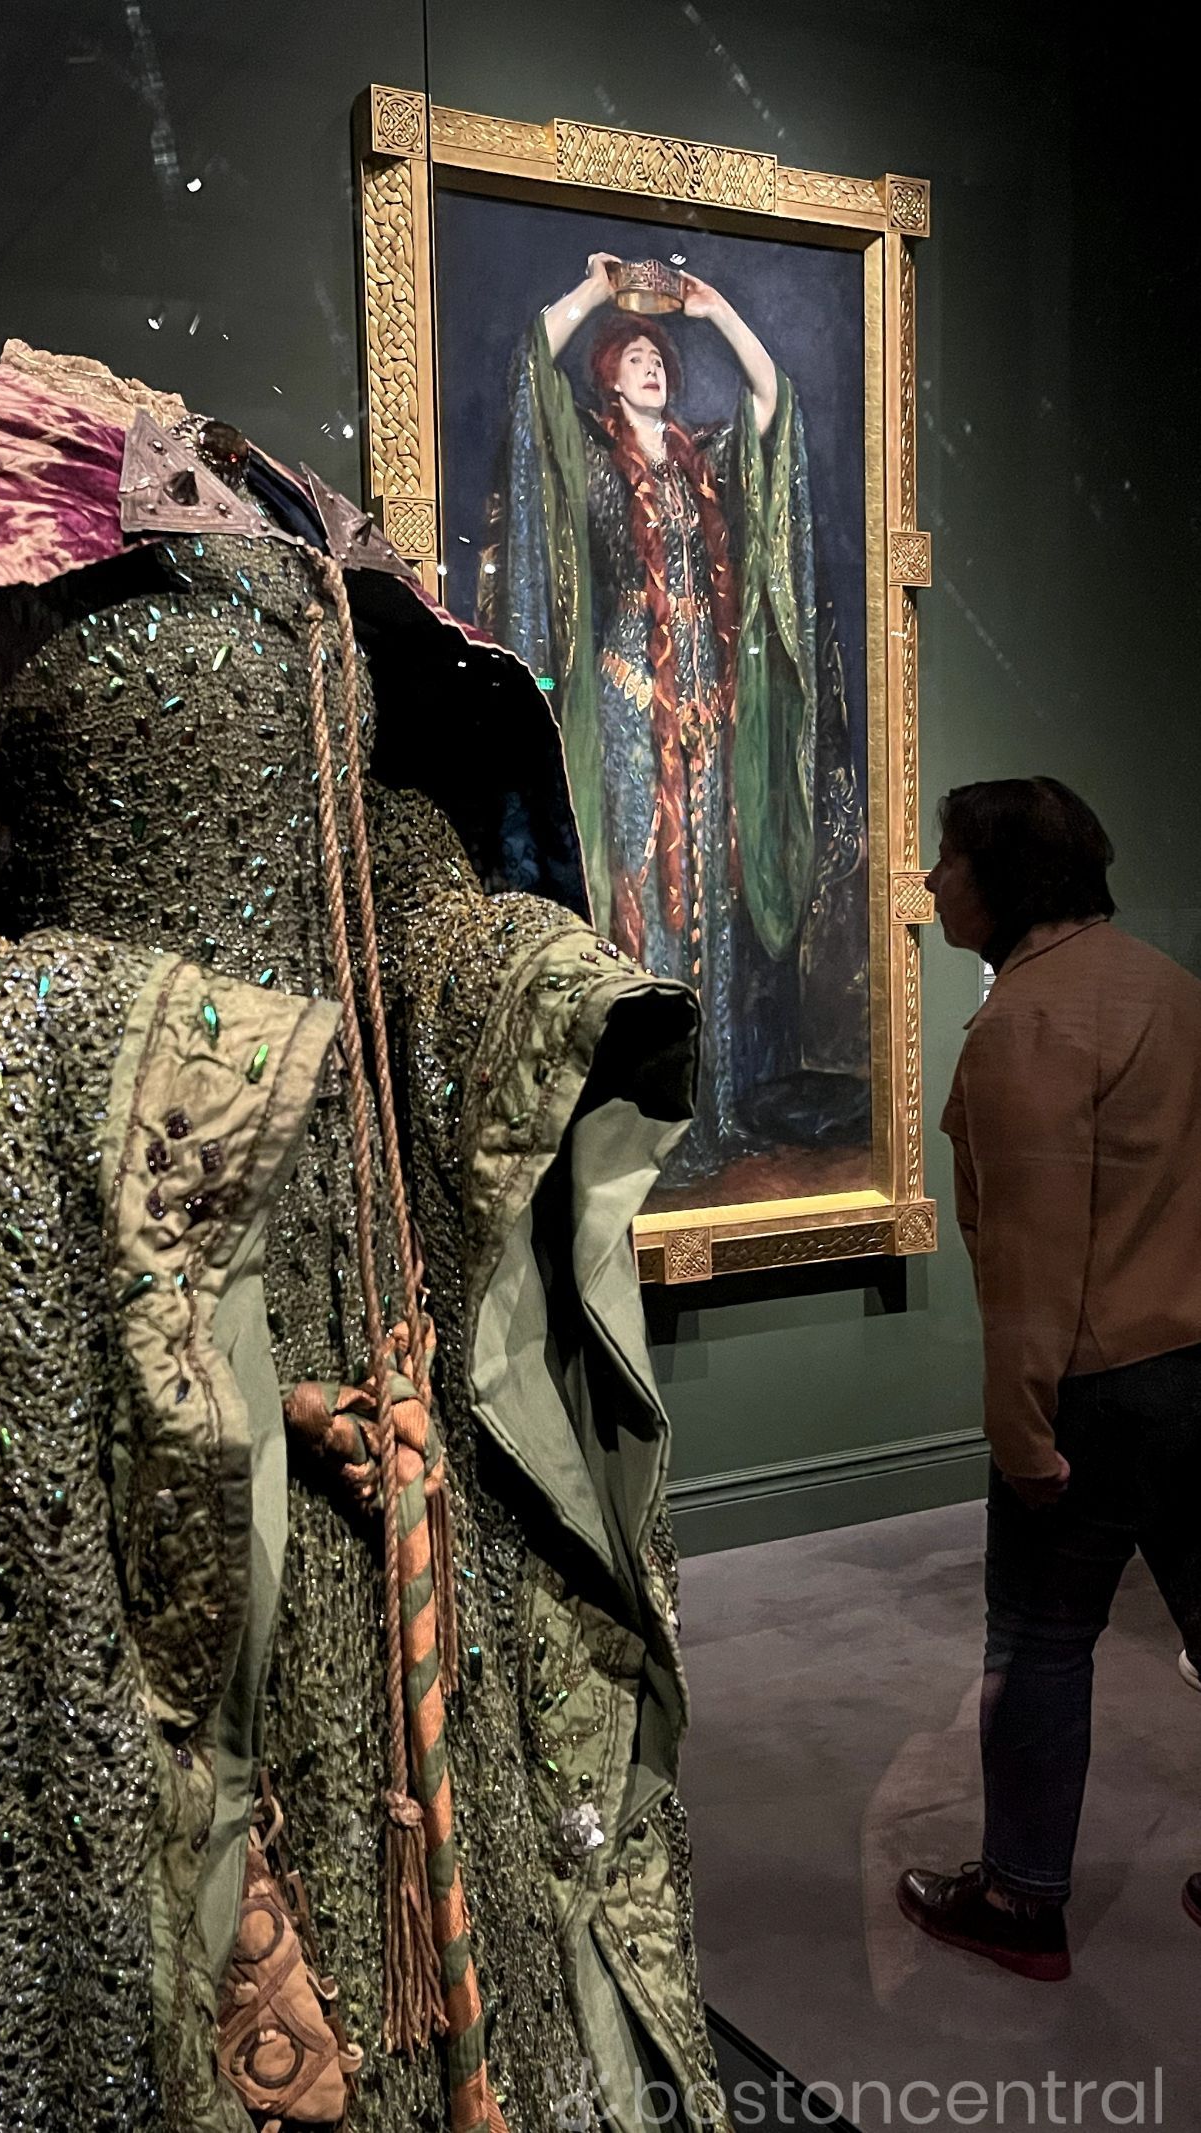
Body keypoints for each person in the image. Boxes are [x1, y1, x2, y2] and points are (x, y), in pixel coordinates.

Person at [900, 776, 1201, 1977]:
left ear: (1007, 876)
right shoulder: (1171, 990)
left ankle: (1020, 1903)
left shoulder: (1026, 1026)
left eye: (950, 859)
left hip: (1098, 1391)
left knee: (1040, 1640)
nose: (932, 881)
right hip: (1195, 1377)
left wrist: (1023, 1437)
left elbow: (1031, 1267)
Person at [484, 250, 868, 1181]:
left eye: (659, 357)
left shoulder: (706, 460)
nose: (651, 365)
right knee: (644, 898)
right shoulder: (589, 454)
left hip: (707, 715)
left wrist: (716, 309)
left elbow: (773, 401)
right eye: (634, 356)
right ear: (607, 377)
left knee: (707, 906)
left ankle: (706, 1104)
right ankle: (636, 1113)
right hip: (626, 705)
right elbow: (532, 365)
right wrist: (594, 289)